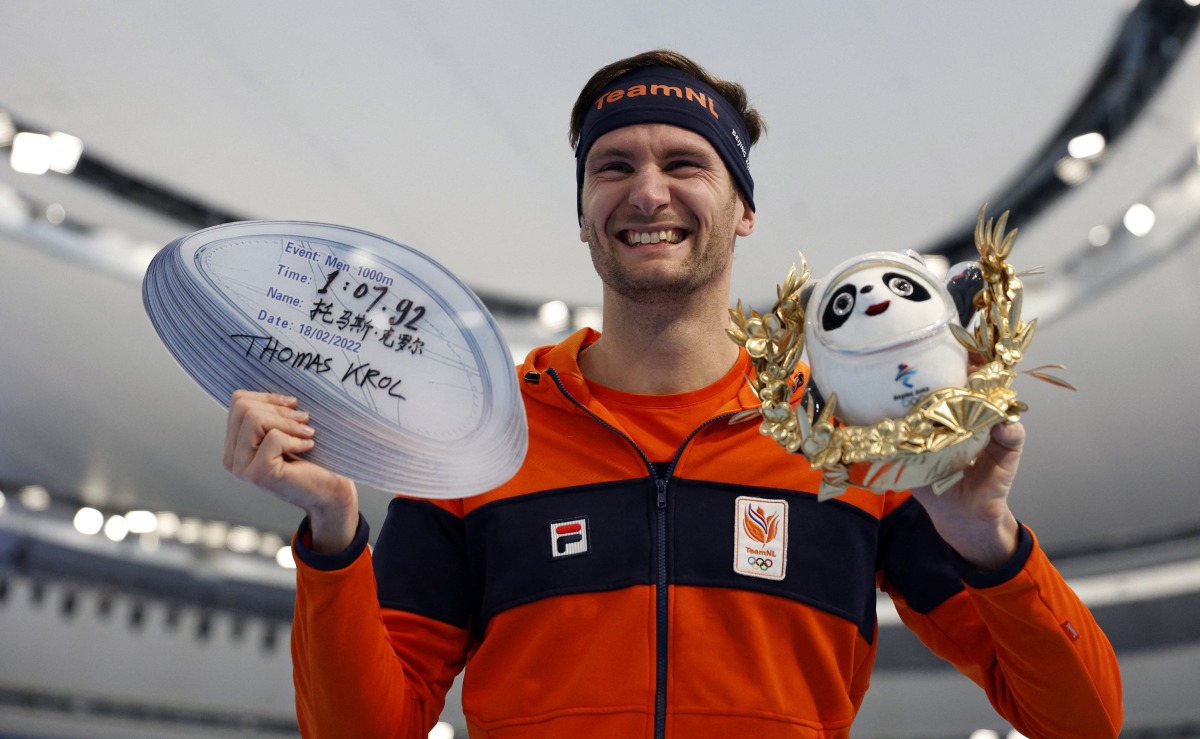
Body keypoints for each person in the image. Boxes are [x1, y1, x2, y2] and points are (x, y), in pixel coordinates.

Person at [224, 50, 1123, 738]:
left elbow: (1082, 721)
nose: (647, 191)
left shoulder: (850, 437)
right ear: (583, 213)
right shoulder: (481, 433)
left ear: (743, 208)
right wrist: (335, 535)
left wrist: (988, 542)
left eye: (685, 163)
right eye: (612, 166)